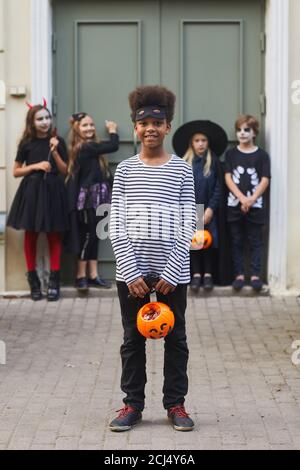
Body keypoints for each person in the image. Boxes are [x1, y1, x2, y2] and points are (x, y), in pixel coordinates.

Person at [109, 85, 196, 432]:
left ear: (168, 127)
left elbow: (188, 219)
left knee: (176, 339)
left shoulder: (181, 170)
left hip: (172, 272)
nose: (150, 129)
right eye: (143, 123)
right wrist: (130, 271)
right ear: (135, 127)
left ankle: (176, 403)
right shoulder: (125, 170)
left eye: (157, 123)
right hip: (133, 274)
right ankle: (132, 404)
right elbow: (115, 222)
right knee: (133, 340)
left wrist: (174, 269)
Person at [7, 100, 68, 301]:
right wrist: (36, 166)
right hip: (32, 192)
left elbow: (64, 170)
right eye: (40, 118)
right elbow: (16, 171)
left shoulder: (57, 140)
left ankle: (54, 281)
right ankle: (33, 280)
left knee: (54, 235)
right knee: (31, 234)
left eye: (47, 118)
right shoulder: (26, 143)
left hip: (52, 191)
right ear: (32, 122)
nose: (45, 122)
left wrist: (55, 151)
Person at [65, 113, 119, 292]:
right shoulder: (85, 147)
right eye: (84, 125)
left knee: (95, 236)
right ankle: (81, 276)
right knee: (87, 237)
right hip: (87, 199)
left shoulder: (93, 149)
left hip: (97, 198)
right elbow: (113, 145)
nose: (89, 128)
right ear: (77, 129)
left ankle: (93, 275)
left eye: (91, 125)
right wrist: (112, 131)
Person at [172, 120, 228, 292]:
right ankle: (196, 274)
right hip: (192, 210)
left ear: (208, 142)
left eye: (203, 140)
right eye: (197, 141)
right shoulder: (185, 163)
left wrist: (211, 208)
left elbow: (219, 187)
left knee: (209, 242)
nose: (200, 144)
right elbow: (179, 189)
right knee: (194, 242)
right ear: (191, 143)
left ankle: (208, 275)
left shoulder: (214, 162)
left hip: (210, 210)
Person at [224, 115, 271, 292]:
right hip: (235, 206)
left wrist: (251, 199)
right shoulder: (231, 154)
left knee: (255, 241)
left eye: (246, 130)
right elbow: (228, 177)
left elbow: (265, 179)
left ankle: (255, 275)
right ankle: (239, 275)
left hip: (255, 206)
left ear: (254, 133)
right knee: (236, 241)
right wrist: (242, 198)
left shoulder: (262, 156)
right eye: (239, 130)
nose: (242, 133)